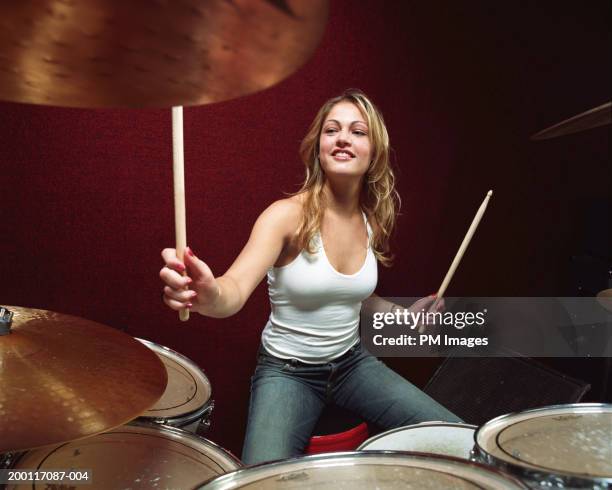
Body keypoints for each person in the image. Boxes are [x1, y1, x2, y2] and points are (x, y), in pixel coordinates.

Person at [160, 89, 461, 465]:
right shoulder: (285, 216)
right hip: (288, 372)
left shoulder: (371, 219)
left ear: (374, 151)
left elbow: (351, 296)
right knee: (258, 481)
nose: (343, 138)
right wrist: (208, 295)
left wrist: (405, 317)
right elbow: (232, 290)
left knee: (457, 437)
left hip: (353, 363)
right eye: (332, 130)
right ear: (319, 146)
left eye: (358, 131)